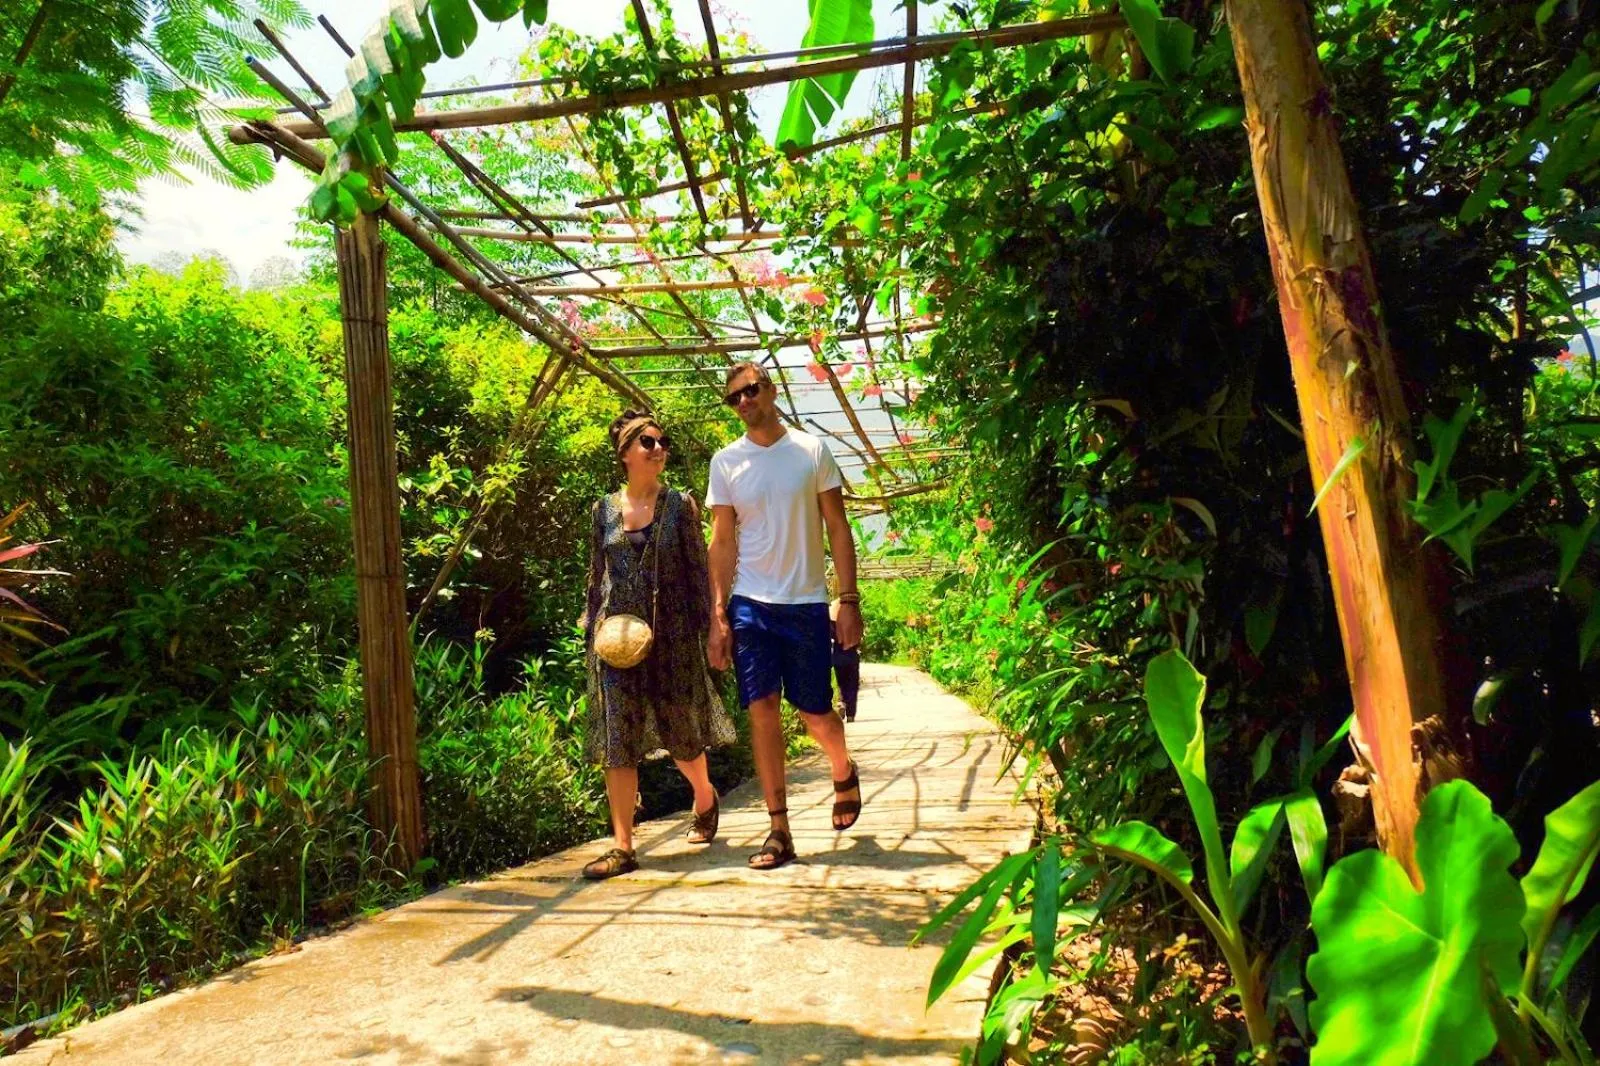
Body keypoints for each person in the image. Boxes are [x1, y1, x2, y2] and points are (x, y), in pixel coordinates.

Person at [706, 362, 865, 871]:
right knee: (761, 708)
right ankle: (779, 829)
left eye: (751, 390)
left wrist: (848, 599)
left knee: (814, 712)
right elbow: (722, 541)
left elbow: (837, 527)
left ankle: (841, 765)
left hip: (805, 602)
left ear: (771, 390)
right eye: (734, 397)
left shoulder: (811, 451)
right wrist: (718, 614)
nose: (744, 401)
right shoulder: (726, 462)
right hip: (750, 603)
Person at [580, 410, 736, 881]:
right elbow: (596, 576)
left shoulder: (680, 506)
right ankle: (623, 847)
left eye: (662, 441)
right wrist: (591, 631)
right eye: (648, 442)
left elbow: (698, 572)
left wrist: (713, 628)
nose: (659, 449)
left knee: (680, 733)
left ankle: (704, 797)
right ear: (625, 453)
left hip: (671, 636)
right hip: (616, 642)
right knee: (618, 740)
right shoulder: (602, 511)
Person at [830, 598, 861, 723]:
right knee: (852, 685)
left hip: (838, 656)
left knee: (841, 683)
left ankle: (842, 702)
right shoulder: (853, 613)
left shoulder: (832, 612)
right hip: (852, 655)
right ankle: (851, 714)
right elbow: (859, 634)